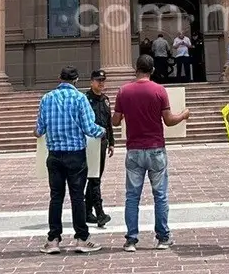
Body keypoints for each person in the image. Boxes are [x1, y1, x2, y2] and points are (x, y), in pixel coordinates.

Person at [112, 54, 190, 251]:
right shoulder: (159, 90)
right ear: (152, 70)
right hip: (155, 148)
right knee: (160, 195)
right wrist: (184, 115)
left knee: (132, 197)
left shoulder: (124, 91)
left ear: (136, 69)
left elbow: (115, 120)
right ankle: (163, 237)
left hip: (134, 149)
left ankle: (131, 239)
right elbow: (169, 120)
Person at [35, 66, 107, 254]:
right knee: (77, 197)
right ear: (76, 80)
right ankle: (81, 238)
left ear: (59, 78)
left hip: (54, 155)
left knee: (56, 197)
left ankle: (53, 240)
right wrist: (103, 131)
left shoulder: (46, 99)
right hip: (75, 154)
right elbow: (89, 128)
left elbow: (39, 130)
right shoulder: (80, 98)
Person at [84, 69, 116, 228]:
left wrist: (111, 142)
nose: (101, 83)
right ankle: (100, 212)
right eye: (98, 80)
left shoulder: (105, 100)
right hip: (89, 142)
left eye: (103, 80)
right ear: (91, 82)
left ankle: (86, 211)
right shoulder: (85, 99)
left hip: (102, 142)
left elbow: (108, 123)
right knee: (94, 178)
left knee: (95, 176)